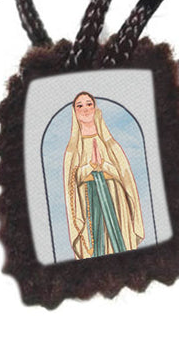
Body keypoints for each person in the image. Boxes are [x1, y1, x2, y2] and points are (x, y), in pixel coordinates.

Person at [62, 91, 145, 258]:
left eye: (89, 104)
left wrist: (104, 165)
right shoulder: (73, 149)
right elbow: (71, 182)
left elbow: (124, 175)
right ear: (74, 112)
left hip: (115, 197)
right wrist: (90, 167)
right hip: (88, 199)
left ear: (95, 108)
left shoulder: (110, 144)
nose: (85, 109)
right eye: (79, 106)